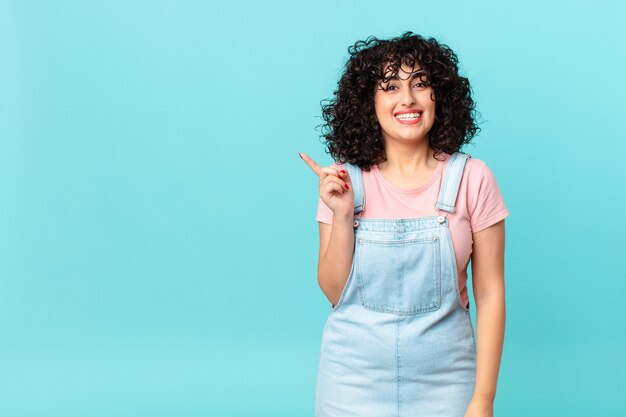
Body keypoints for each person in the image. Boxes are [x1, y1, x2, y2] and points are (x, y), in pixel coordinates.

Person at [300, 31, 509, 417]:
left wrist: (483, 399)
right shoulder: (343, 182)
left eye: (421, 84)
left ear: (439, 96)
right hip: (351, 383)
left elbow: (491, 294)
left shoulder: (473, 179)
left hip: (447, 383)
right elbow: (333, 291)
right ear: (370, 103)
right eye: (391, 86)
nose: (407, 99)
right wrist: (343, 214)